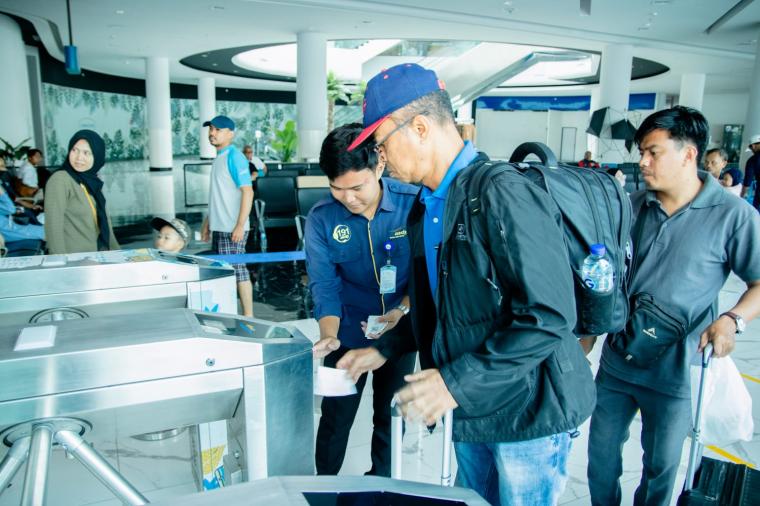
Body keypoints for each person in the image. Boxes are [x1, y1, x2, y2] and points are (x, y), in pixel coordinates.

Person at [337, 63, 595, 505]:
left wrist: (451, 383)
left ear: (419, 127)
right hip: (473, 406)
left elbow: (550, 315)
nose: (382, 160)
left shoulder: (501, 192)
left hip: (528, 413)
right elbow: (441, 306)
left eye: (382, 145)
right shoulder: (427, 207)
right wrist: (386, 346)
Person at [588, 107, 760, 506]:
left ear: (688, 154)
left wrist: (733, 320)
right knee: (600, 459)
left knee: (662, 467)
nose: (642, 162)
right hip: (617, 360)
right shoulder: (631, 206)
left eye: (653, 152)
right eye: (641, 152)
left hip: (676, 370)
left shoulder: (733, 216)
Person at [309, 123, 418, 477]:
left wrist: (402, 310)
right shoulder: (322, 219)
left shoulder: (413, 204)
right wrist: (330, 334)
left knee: (389, 416)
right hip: (347, 332)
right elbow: (324, 285)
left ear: (380, 165)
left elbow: (428, 277)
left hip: (399, 331)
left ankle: (381, 487)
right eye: (337, 189)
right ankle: (323, 490)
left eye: (357, 187)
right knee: (335, 419)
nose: (349, 198)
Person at [201, 115, 254, 317]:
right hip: (220, 226)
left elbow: (248, 192)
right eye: (211, 129)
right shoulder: (220, 157)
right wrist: (208, 222)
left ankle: (248, 316)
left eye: (218, 130)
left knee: (238, 271)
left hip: (232, 228)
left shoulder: (234, 157)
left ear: (230, 134)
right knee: (226, 272)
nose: (212, 133)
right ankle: (231, 313)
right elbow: (217, 195)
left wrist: (240, 225)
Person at [44, 130, 120, 254]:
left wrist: (119, 255)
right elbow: (53, 227)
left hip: (95, 258)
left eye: (86, 153)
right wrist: (61, 264)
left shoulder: (92, 182)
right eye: (75, 150)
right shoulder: (60, 180)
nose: (79, 157)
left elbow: (106, 227)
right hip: (74, 261)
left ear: (97, 156)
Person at [741, 134, 760, 210]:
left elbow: (747, 181)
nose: (752, 151)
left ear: (753, 146)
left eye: (751, 148)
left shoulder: (752, 160)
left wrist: (742, 195)